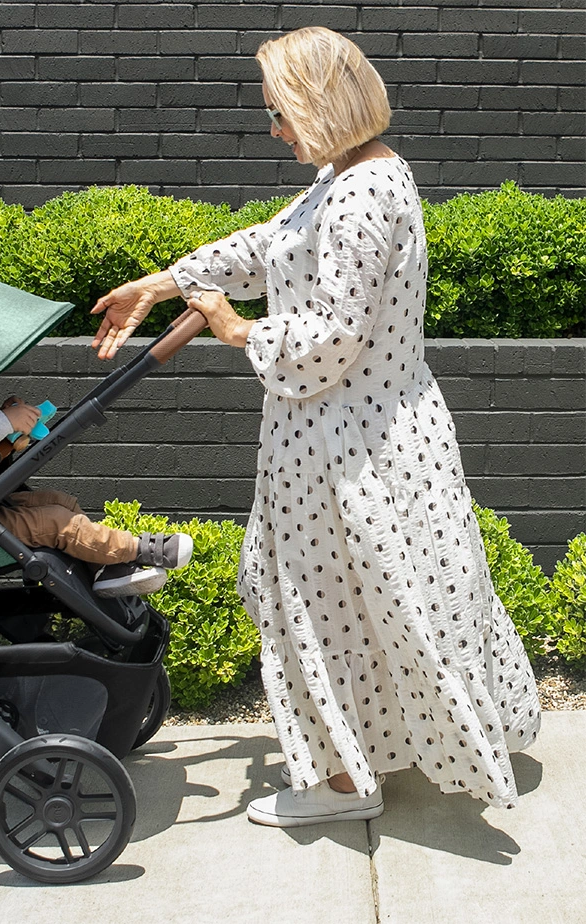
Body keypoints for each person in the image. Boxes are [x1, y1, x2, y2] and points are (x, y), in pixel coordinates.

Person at [91, 27, 540, 826]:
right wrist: (166, 283)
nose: (274, 131)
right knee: (380, 603)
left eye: (281, 113)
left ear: (322, 107)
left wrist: (235, 330)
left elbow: (332, 339)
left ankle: (342, 786)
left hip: (348, 449)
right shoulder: (354, 174)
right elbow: (274, 244)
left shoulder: (363, 192)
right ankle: (374, 757)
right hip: (355, 438)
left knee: (327, 606)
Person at [0, 395, 193, 597]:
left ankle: (101, 567)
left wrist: (6, 443)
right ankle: (138, 548)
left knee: (61, 502)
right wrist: (2, 421)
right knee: (57, 522)